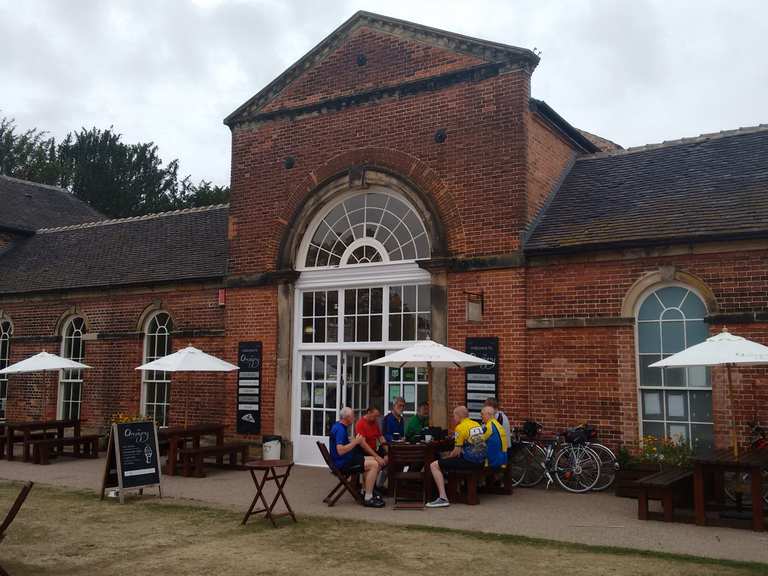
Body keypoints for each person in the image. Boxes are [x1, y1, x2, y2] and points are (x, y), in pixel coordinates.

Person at [426, 405, 486, 508]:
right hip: (481, 461)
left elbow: (456, 452)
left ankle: (443, 498)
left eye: (454, 416)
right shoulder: (475, 424)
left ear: (459, 416)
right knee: (449, 462)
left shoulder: (460, 427)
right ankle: (452, 491)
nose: (453, 418)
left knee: (434, 465)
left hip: (471, 462)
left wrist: (446, 458)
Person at [329, 406, 385, 508]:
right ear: (347, 418)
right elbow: (340, 451)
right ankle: (368, 498)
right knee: (374, 465)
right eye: (352, 416)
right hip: (343, 463)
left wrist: (351, 441)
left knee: (375, 460)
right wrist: (355, 442)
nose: (354, 418)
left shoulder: (338, 426)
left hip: (346, 459)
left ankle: (365, 491)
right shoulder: (340, 430)